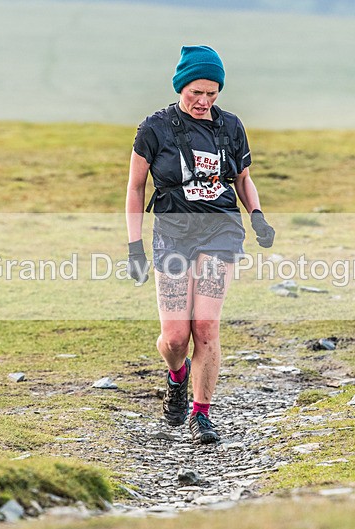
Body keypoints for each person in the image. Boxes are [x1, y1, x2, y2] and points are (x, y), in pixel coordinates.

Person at [125, 45, 275, 445]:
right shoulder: (154, 129)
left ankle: (202, 414)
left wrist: (256, 214)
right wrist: (134, 246)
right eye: (196, 92)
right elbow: (136, 187)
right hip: (172, 233)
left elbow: (243, 178)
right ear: (181, 87)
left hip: (220, 230)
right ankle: (177, 375)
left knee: (205, 325)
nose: (203, 101)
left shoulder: (230, 127)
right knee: (175, 337)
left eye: (212, 93)